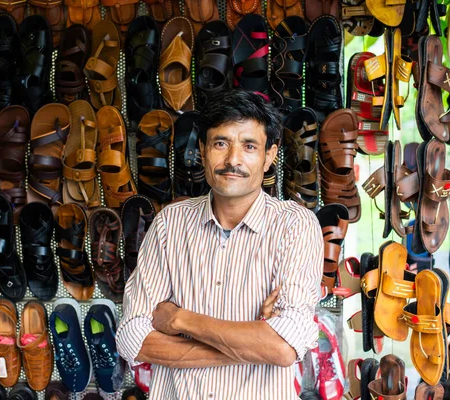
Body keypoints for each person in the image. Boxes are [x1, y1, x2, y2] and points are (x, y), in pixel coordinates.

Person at [116, 90, 324, 399]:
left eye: (249, 146)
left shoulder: (295, 226)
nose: (233, 160)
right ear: (202, 151)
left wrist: (180, 319)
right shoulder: (170, 224)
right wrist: (256, 343)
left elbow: (283, 347)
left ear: (269, 156)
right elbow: (133, 339)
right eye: (220, 143)